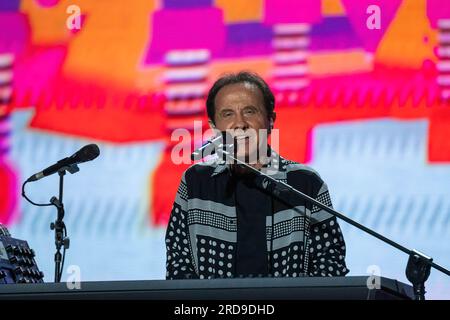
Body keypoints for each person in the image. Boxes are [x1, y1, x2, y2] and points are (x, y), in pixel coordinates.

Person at [165, 71, 349, 279]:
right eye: (227, 114)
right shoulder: (195, 182)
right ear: (214, 127)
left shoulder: (305, 184)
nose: (240, 123)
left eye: (250, 111)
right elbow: (179, 266)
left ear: (271, 120)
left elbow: (330, 267)